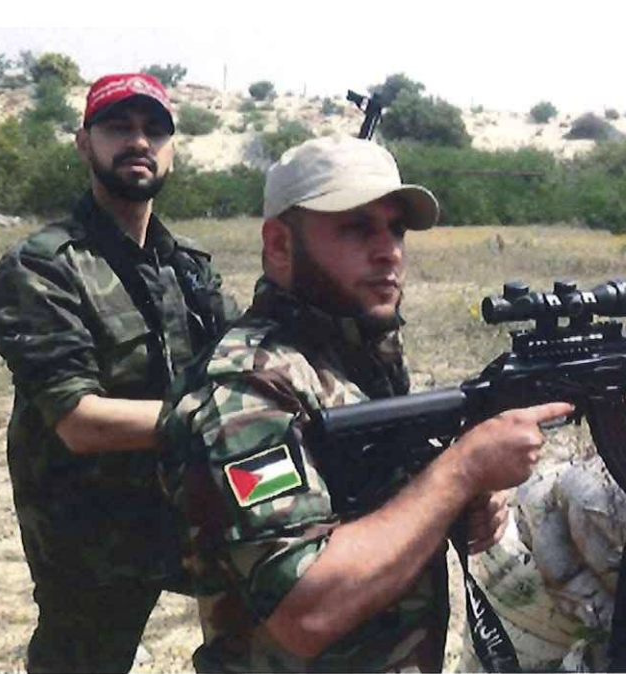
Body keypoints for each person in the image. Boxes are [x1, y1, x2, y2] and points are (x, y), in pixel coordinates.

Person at [158, 134, 572, 672]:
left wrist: (456, 507)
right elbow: (304, 612)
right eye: (356, 228)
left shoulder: (356, 355)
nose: (388, 251)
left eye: (395, 229)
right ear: (279, 244)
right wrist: (461, 471)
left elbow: (379, 510)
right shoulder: (244, 387)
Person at [0, 72, 238, 673]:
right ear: (84, 143)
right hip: (89, 530)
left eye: (154, 130)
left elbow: (240, 355)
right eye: (118, 127)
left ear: (172, 149)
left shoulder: (187, 265)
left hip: (189, 504)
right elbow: (79, 421)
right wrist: (235, 418)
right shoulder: (42, 268)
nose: (139, 142)